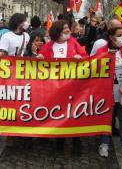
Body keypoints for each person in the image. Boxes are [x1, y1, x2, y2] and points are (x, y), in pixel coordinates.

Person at [37, 20, 87, 153]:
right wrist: (40, 57)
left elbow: (86, 57)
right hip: (55, 88)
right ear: (57, 31)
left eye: (67, 28)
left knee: (74, 114)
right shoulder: (49, 45)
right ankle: (60, 141)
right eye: (64, 28)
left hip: (73, 86)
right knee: (59, 114)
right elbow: (41, 57)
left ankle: (77, 142)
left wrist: (79, 57)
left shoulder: (73, 42)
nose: (67, 30)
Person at [95, 27, 122, 157]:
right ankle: (104, 144)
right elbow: (94, 67)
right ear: (111, 36)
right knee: (106, 119)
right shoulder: (102, 50)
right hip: (107, 92)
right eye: (119, 35)